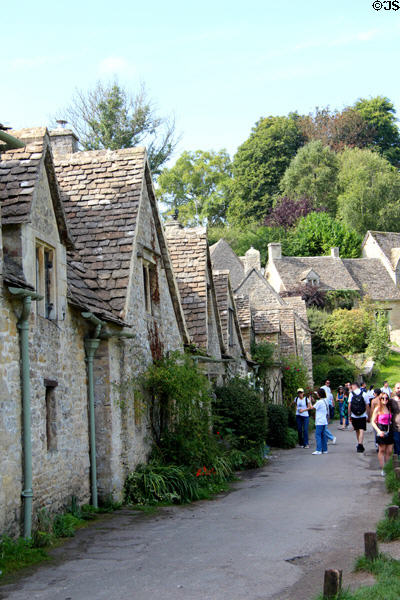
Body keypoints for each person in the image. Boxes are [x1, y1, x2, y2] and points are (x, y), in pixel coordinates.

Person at [371, 392, 394, 475]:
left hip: (389, 429)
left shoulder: (389, 408)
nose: (385, 400)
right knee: (382, 450)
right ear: (380, 399)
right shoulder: (378, 409)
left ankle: (387, 468)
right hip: (381, 428)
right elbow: (373, 422)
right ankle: (383, 469)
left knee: (389, 450)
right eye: (383, 398)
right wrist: (378, 431)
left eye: (386, 398)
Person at [348, 382, 370, 453]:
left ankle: (359, 444)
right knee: (361, 429)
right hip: (362, 415)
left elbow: (349, 405)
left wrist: (349, 415)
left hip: (354, 415)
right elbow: (367, 405)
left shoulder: (351, 394)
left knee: (357, 430)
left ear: (354, 386)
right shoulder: (364, 394)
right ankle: (360, 444)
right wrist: (368, 415)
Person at [309, 388, 329, 455]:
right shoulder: (325, 400)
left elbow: (312, 407)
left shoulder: (319, 402)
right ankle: (325, 449)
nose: (317, 394)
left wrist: (309, 401)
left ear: (319, 395)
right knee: (323, 435)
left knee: (318, 435)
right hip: (324, 421)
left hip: (319, 421)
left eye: (317, 393)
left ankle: (318, 450)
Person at [390, 382, 400, 457]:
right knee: (397, 448)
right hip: (395, 428)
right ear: (394, 389)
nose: (399, 389)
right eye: (398, 388)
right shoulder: (391, 401)